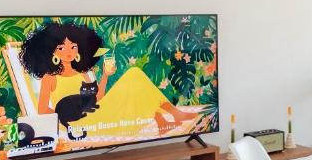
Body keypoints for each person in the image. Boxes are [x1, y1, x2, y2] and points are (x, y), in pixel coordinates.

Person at [19, 22, 197, 141]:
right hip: (81, 122)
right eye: (61, 47)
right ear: (52, 52)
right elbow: (43, 110)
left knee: (134, 75)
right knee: (134, 75)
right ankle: (171, 116)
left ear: (79, 49)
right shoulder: (50, 78)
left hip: (99, 114)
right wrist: (68, 124)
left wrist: (105, 75)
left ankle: (164, 120)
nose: (68, 51)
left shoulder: (85, 74)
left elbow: (99, 98)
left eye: (73, 46)